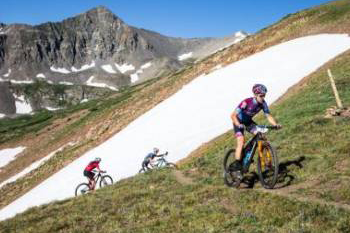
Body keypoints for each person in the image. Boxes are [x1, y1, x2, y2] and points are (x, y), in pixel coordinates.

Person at [230, 84, 281, 176]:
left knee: (260, 134)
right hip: (238, 122)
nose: (263, 98)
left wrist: (275, 124)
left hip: (248, 122)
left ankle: (249, 155)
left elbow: (268, 115)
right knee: (241, 141)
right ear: (255, 95)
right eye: (261, 96)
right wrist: (238, 124)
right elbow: (233, 115)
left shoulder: (263, 104)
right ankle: (237, 166)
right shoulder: (246, 102)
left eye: (264, 95)